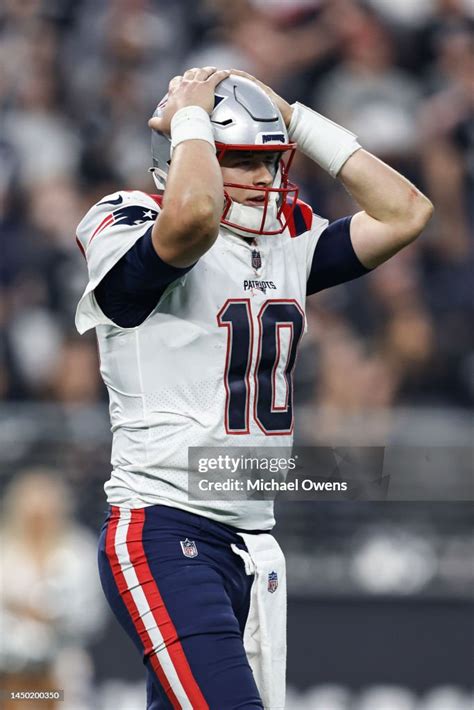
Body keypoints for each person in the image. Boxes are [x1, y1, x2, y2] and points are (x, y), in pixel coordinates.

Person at [75, 67, 433, 709]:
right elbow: (191, 220)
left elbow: (406, 211)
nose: (266, 183)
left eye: (272, 165)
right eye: (243, 162)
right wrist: (189, 118)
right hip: (162, 527)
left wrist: (294, 119)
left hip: (250, 539)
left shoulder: (284, 243)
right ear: (187, 155)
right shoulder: (127, 217)